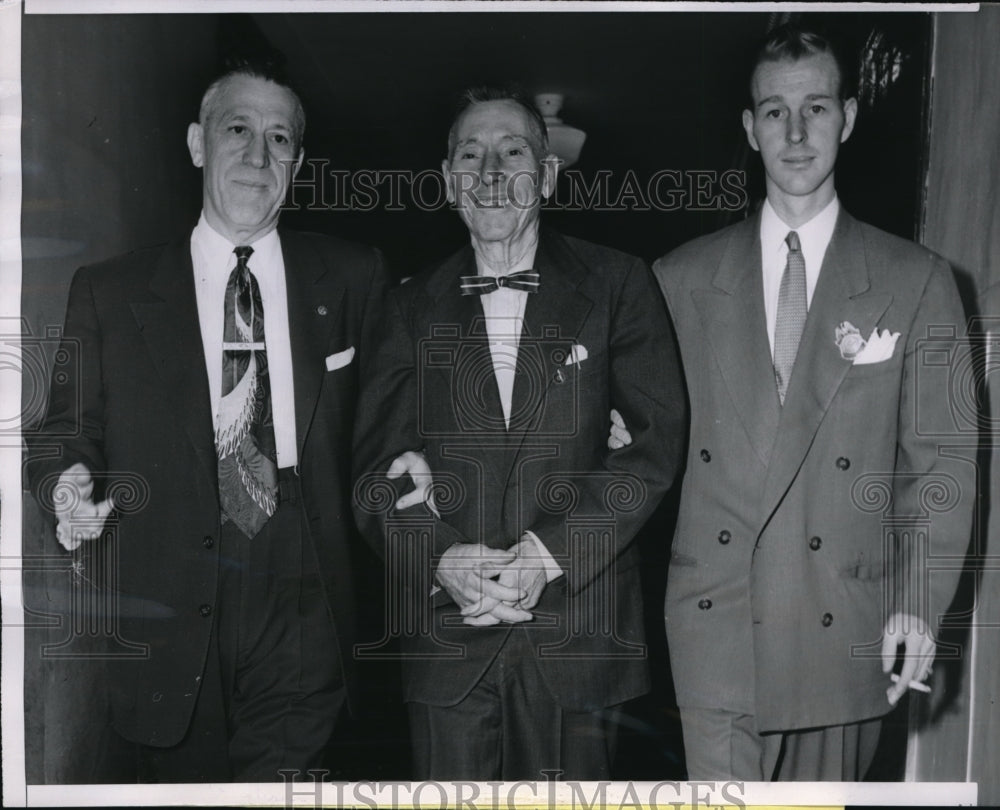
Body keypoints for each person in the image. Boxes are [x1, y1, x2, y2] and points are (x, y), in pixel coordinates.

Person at [25, 57, 424, 782]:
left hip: (303, 579)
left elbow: (393, 415)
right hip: (168, 588)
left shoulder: (354, 274)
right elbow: (62, 429)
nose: (257, 153)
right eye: (237, 128)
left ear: (297, 163)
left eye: (279, 138)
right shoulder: (110, 291)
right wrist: (66, 483)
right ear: (196, 143)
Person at [640, 25, 974, 780]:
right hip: (716, 625)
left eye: (816, 108)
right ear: (749, 129)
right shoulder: (677, 279)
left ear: (848, 118)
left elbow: (942, 461)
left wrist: (918, 602)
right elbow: (641, 440)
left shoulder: (917, 279)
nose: (795, 133)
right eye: (774, 112)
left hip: (843, 629)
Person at [353, 87, 686, 780]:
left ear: (548, 174)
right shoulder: (405, 307)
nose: (492, 171)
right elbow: (373, 478)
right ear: (449, 181)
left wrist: (545, 555)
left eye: (514, 152)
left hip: (580, 639)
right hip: (450, 643)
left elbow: (655, 447)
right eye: (471, 154)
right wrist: (441, 559)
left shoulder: (620, 284)